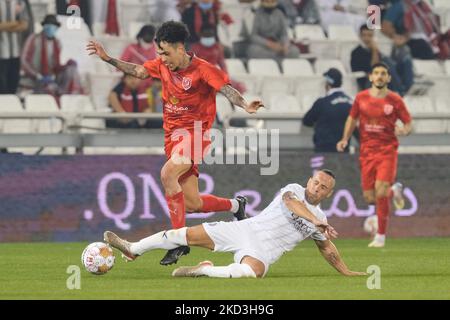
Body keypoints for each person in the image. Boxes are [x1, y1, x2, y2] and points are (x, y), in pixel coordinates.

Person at [87, 21, 264, 265]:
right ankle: (236, 205)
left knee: (168, 173)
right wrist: (108, 58)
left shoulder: (203, 69)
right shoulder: (161, 65)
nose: (162, 58)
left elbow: (226, 90)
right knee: (192, 203)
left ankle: (178, 242)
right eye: (159, 52)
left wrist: (245, 105)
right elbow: (138, 71)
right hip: (172, 137)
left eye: (166, 52)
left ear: (181, 48)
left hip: (196, 134)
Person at [104, 170, 367, 278]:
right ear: (309, 181)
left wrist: (346, 272)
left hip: (264, 252)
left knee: (250, 274)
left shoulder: (320, 222)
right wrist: (314, 221)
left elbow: (327, 249)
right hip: (246, 229)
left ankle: (202, 270)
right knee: (183, 234)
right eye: (316, 182)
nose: (317, 188)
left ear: (328, 194)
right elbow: (291, 203)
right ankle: (132, 248)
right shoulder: (294, 190)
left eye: (323, 188)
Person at [337, 62, 412, 248]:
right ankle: (394, 191)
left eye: (383, 73)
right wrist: (345, 139)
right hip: (366, 151)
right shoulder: (361, 98)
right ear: (370, 77)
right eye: (376, 73)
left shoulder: (395, 100)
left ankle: (380, 236)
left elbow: (409, 123)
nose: (379, 76)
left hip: (387, 150)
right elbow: (352, 119)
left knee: (380, 192)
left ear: (388, 78)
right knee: (370, 198)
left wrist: (405, 130)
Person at [21, 14, 84, 100]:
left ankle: (69, 96)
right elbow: (24, 61)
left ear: (56, 28)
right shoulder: (33, 39)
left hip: (49, 79)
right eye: (48, 25)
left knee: (71, 69)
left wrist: (53, 75)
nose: (50, 28)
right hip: (32, 79)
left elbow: (55, 65)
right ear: (44, 26)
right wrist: (37, 75)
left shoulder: (57, 43)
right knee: (50, 89)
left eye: (53, 26)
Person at [351, 25, 414, 96]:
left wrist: (375, 50)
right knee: (386, 62)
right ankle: (401, 91)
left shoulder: (374, 50)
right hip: (368, 81)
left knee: (406, 61)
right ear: (360, 36)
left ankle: (406, 89)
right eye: (364, 35)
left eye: (370, 36)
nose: (367, 38)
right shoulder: (356, 52)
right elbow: (374, 67)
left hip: (382, 79)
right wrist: (375, 50)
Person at [303, 68, 353, 153]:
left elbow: (306, 121)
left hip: (324, 150)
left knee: (320, 166)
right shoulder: (350, 102)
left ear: (328, 83)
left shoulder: (322, 102)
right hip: (344, 152)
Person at [0, 0, 29, 94]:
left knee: (13, 81)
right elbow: (20, 24)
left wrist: (4, 26)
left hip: (16, 51)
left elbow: (24, 25)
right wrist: (15, 23)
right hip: (1, 52)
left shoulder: (20, 3)